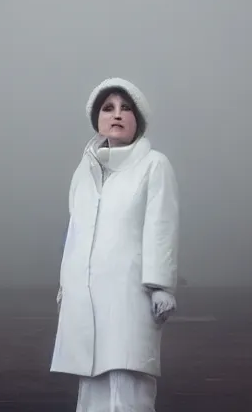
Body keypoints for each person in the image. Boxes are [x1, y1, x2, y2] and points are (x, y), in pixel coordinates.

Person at [50, 77, 179, 412]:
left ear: (139, 120)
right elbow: (75, 232)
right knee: (92, 385)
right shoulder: (84, 172)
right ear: (97, 119)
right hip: (86, 295)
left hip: (129, 294)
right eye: (108, 108)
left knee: (127, 385)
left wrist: (161, 285)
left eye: (126, 108)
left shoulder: (154, 165)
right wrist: (67, 285)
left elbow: (161, 226)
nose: (117, 114)